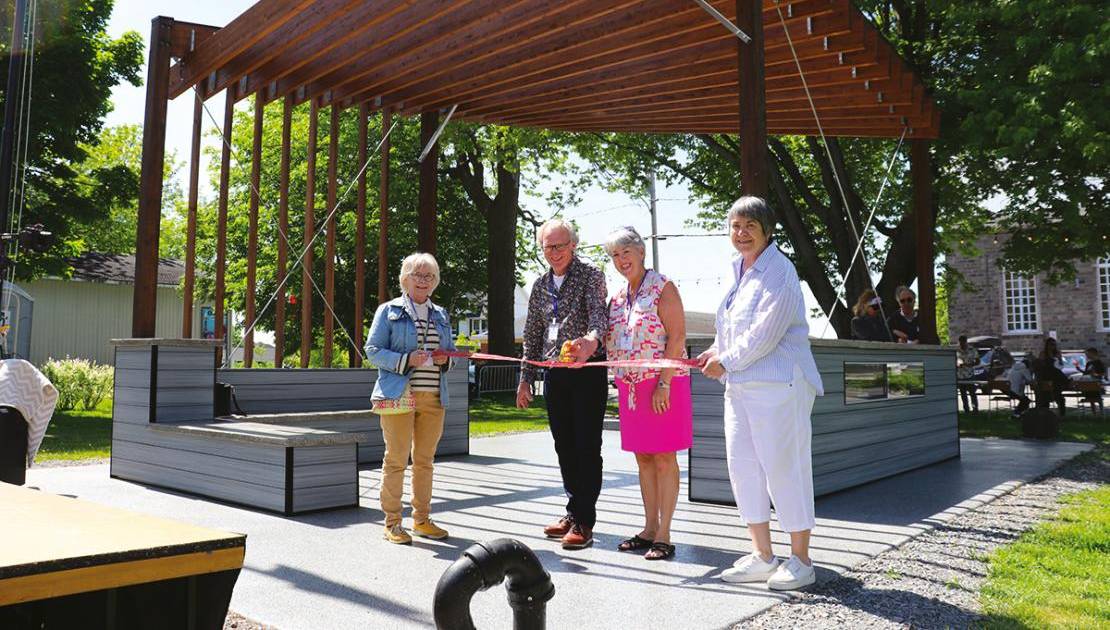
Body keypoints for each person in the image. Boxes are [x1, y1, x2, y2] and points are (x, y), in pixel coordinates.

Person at [698, 196, 824, 591]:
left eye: (750, 225)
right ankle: (763, 555)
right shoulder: (738, 270)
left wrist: (728, 360)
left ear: (768, 230)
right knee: (744, 468)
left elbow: (766, 333)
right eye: (735, 226)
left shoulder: (780, 271)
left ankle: (801, 560)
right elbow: (732, 329)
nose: (741, 233)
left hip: (779, 384)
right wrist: (716, 351)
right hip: (740, 388)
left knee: (785, 468)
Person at [516, 218, 608, 550]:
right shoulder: (540, 284)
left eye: (560, 245)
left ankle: (585, 520)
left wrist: (591, 341)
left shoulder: (591, 275)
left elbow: (600, 316)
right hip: (553, 372)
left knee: (586, 446)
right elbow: (532, 334)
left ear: (574, 244)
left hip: (587, 369)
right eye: (547, 247)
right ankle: (572, 509)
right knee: (563, 445)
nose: (554, 252)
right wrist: (525, 378)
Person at [604, 226, 692, 561]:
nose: (621, 260)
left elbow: (677, 337)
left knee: (663, 457)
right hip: (631, 388)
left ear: (641, 251)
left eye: (626, 252)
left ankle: (665, 534)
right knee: (643, 457)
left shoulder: (662, 287)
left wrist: (664, 382)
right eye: (615, 255)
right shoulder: (618, 296)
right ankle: (649, 527)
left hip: (663, 385)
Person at [365, 252, 457, 545]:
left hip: (433, 396)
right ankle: (392, 522)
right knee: (396, 459)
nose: (423, 281)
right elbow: (373, 350)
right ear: (405, 278)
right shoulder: (388, 310)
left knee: (424, 461)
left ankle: (422, 519)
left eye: (429, 276)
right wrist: (406, 359)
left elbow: (450, 354)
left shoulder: (441, 314)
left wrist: (445, 360)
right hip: (398, 394)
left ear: (435, 282)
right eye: (417, 275)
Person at [1031, 337, 1068, 416]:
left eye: (1054, 345)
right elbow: (1040, 365)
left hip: (1055, 376)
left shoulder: (1057, 353)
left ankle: (1061, 413)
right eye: (1051, 344)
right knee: (1053, 370)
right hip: (1045, 374)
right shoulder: (1043, 353)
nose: (1053, 347)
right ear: (1047, 345)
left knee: (1056, 373)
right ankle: (1067, 381)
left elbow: (1061, 366)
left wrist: (1059, 358)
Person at [956, 335, 980, 413]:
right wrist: (957, 364)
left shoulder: (972, 349)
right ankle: (966, 409)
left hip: (970, 374)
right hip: (960, 375)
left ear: (966, 342)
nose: (962, 344)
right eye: (960, 343)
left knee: (972, 393)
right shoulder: (956, 350)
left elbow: (978, 361)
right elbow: (953, 360)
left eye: (963, 342)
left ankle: (975, 408)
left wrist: (970, 364)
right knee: (963, 394)